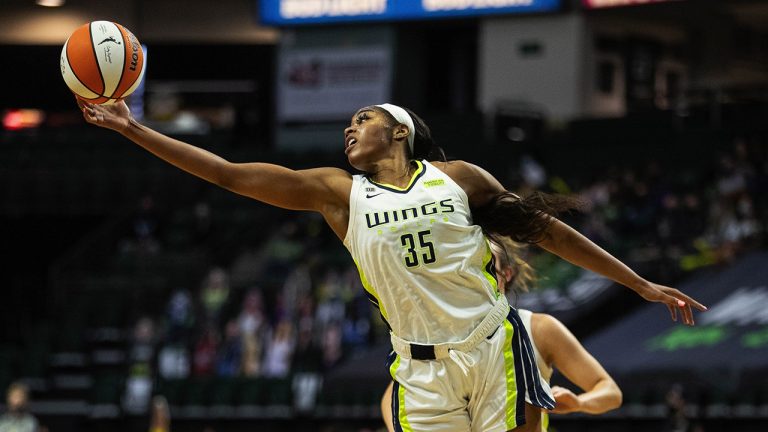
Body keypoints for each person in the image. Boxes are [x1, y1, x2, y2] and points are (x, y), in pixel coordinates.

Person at [77, 99, 706, 431]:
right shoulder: (338, 193)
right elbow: (228, 174)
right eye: (348, 124)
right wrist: (135, 130)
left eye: (363, 120)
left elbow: (547, 232)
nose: (350, 130)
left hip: (494, 347)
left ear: (398, 132)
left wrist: (641, 283)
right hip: (419, 369)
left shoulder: (459, 178)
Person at [381, 239, 623, 432]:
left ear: (506, 274)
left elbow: (610, 391)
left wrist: (580, 403)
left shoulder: (539, 329)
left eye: (485, 269)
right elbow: (392, 394)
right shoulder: (441, 336)